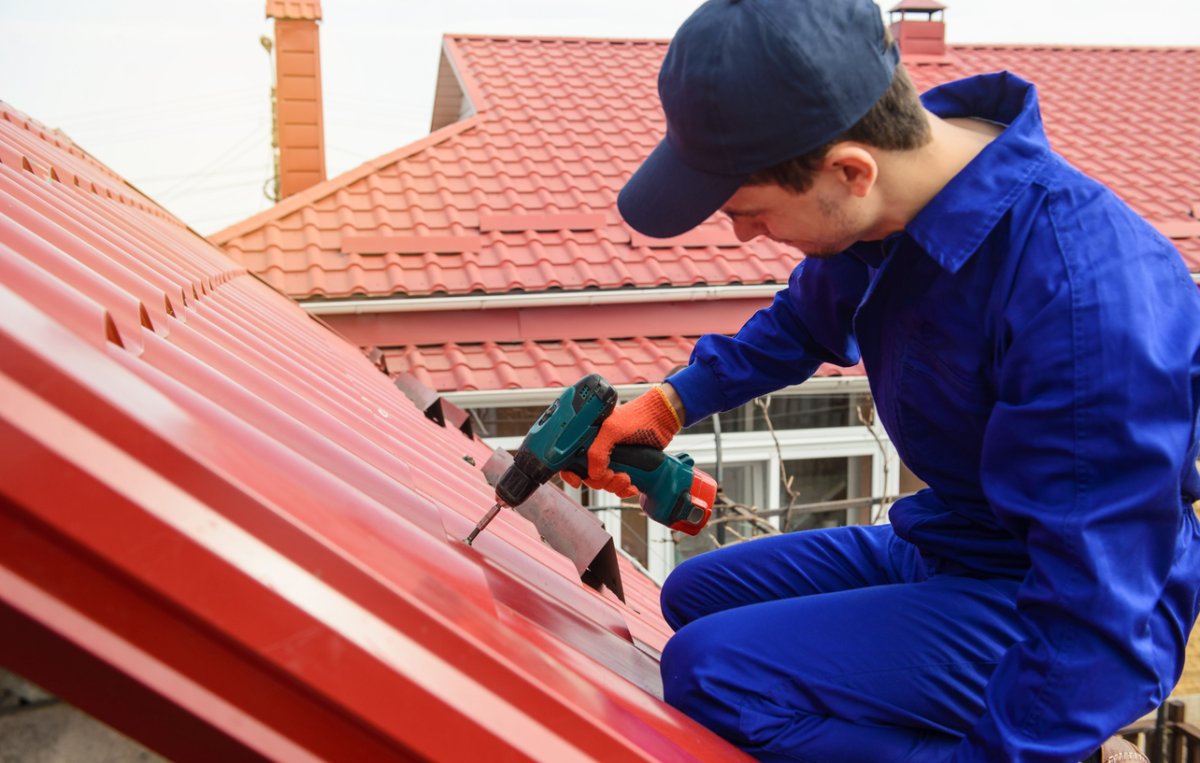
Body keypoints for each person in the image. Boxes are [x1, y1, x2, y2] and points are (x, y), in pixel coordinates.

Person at [570, 0, 1200, 760]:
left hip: (1061, 597)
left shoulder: (1081, 300)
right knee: (693, 597)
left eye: (751, 211)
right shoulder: (890, 199)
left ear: (849, 170)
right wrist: (672, 403)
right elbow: (805, 320)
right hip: (956, 542)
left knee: (712, 673)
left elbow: (1094, 609)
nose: (741, 233)